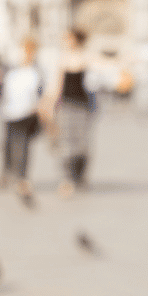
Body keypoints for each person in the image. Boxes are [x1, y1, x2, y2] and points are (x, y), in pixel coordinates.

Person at [42, 28, 98, 198]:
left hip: (83, 106)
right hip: (66, 105)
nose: (66, 41)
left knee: (82, 143)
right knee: (65, 142)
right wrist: (50, 105)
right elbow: (57, 84)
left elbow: (104, 69)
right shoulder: (62, 58)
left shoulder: (87, 56)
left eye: (68, 38)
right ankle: (67, 179)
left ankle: (79, 175)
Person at [0, 35, 45, 207]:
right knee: (8, 144)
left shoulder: (37, 72)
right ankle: (8, 171)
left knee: (22, 145)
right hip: (9, 112)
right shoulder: (11, 70)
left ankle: (21, 177)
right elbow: (2, 90)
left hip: (27, 113)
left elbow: (41, 93)